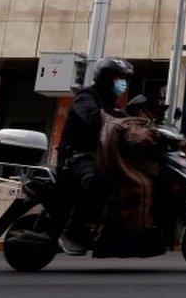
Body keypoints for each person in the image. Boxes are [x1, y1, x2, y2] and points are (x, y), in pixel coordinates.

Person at [56, 57, 134, 255]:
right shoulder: (87, 96)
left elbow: (125, 121)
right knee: (97, 181)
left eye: (124, 78)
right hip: (77, 157)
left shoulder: (113, 105)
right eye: (118, 77)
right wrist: (111, 119)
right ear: (106, 78)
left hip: (102, 158)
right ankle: (72, 232)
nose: (122, 82)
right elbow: (91, 115)